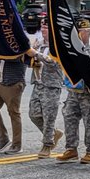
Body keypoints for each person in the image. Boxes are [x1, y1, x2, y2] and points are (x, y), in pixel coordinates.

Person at [56, 19, 90, 163]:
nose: (80, 35)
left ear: (89, 32)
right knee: (69, 118)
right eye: (78, 32)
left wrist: (85, 69)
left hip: (88, 93)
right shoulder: (71, 47)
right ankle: (71, 149)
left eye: (83, 32)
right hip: (73, 91)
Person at [28, 18, 64, 159]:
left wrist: (36, 54)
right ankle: (54, 133)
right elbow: (32, 61)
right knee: (34, 114)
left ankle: (47, 144)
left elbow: (54, 64)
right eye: (42, 27)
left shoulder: (59, 46)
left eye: (46, 28)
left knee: (49, 117)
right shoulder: (39, 44)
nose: (43, 30)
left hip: (51, 85)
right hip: (38, 83)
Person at [0, 51, 27, 154]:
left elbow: (16, 58)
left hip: (12, 81)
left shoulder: (17, 41)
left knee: (13, 112)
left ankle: (17, 145)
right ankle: (3, 139)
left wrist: (0, 50)